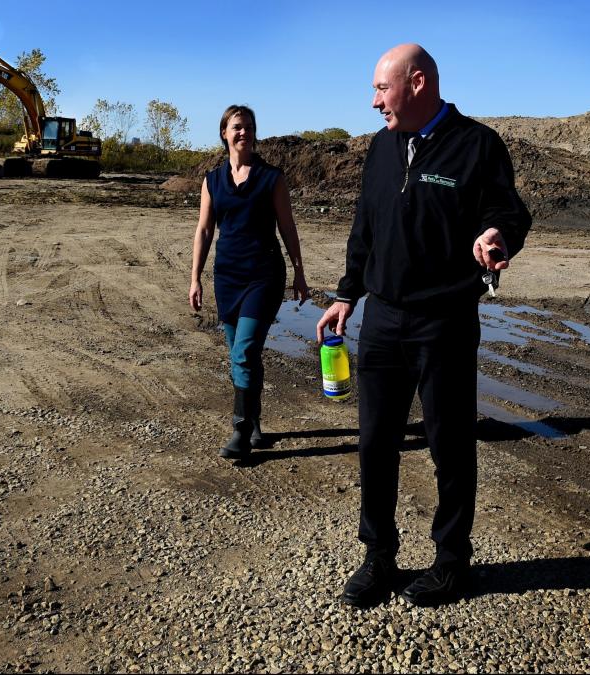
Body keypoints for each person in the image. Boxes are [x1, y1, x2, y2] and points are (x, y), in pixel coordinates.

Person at [315, 44, 531, 607]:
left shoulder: (477, 145)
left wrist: (497, 236)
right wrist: (346, 294)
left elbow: (508, 211)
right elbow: (365, 227)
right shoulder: (380, 150)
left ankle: (451, 561)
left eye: (380, 89)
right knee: (374, 441)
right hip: (383, 318)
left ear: (416, 83)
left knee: (450, 444)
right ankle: (378, 555)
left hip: (445, 321)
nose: (373, 101)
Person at [191, 105, 309, 460]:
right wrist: (194, 277)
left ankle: (240, 431)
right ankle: (255, 420)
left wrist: (300, 271)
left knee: (243, 350)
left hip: (264, 275)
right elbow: (205, 229)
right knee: (242, 353)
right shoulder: (212, 180)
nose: (244, 132)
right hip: (227, 277)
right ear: (224, 133)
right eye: (237, 127)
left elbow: (287, 227)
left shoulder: (272, 177)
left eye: (249, 127)